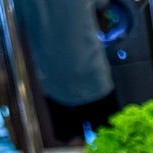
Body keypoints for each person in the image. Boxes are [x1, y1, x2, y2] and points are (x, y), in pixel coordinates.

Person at [15, 0, 119, 144]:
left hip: (55, 82)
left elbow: (17, 33)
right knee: (112, 146)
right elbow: (104, 12)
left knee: (71, 151)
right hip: (93, 74)